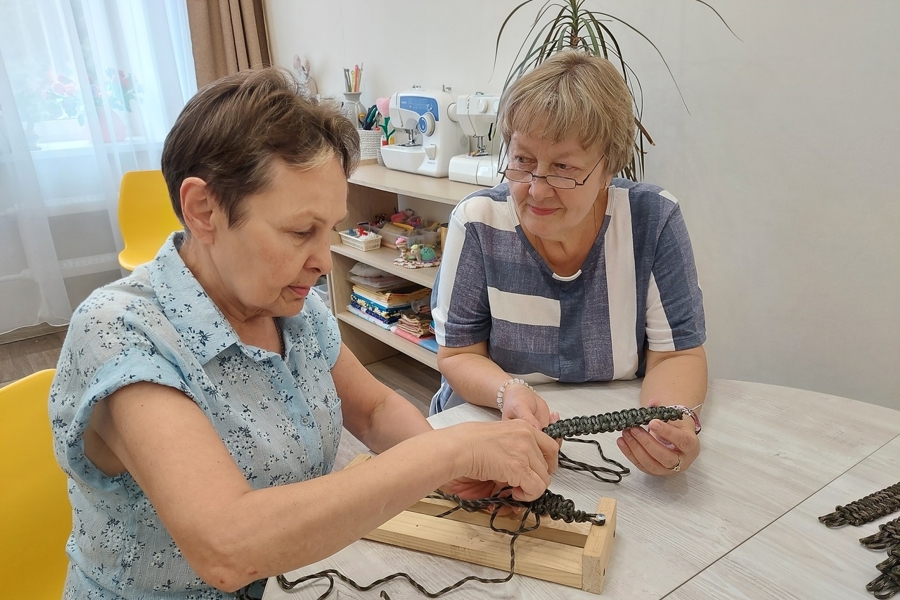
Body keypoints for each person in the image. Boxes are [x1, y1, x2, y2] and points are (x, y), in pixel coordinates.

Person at [49, 68, 558, 599]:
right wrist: (447, 455)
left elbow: (373, 410)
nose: (322, 260)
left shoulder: (291, 309)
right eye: (299, 232)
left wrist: (441, 469)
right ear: (204, 209)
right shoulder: (119, 333)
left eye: (330, 230)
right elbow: (227, 547)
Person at [431, 50, 707, 477]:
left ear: (609, 167)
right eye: (523, 161)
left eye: (563, 168)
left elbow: (676, 355)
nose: (537, 190)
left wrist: (671, 421)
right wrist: (509, 392)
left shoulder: (653, 221)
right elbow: (458, 355)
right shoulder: (477, 222)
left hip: (615, 449)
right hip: (488, 429)